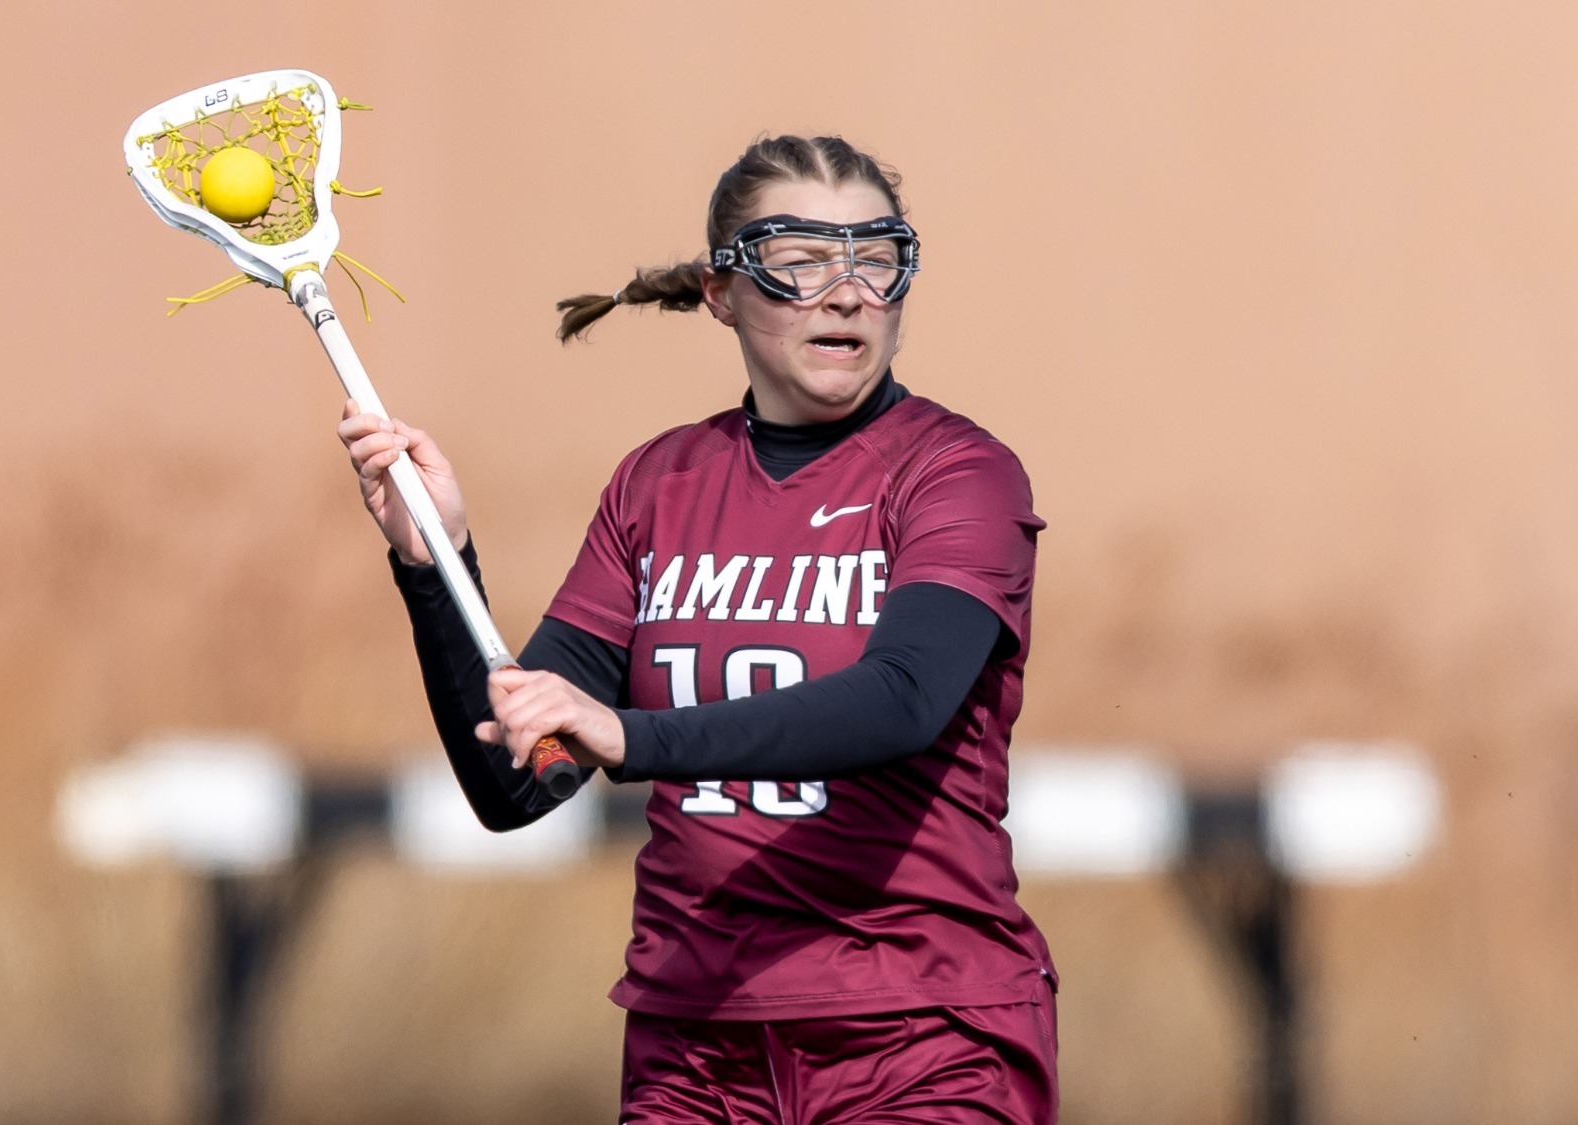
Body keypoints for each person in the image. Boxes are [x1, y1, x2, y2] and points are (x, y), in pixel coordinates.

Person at [338, 135, 1057, 1124]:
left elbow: (903, 700)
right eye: (801, 260)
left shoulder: (956, 472)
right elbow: (516, 782)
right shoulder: (657, 483)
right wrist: (437, 564)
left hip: (921, 1034)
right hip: (693, 1043)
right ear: (721, 291)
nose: (846, 293)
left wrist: (632, 735)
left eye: (876, 258)